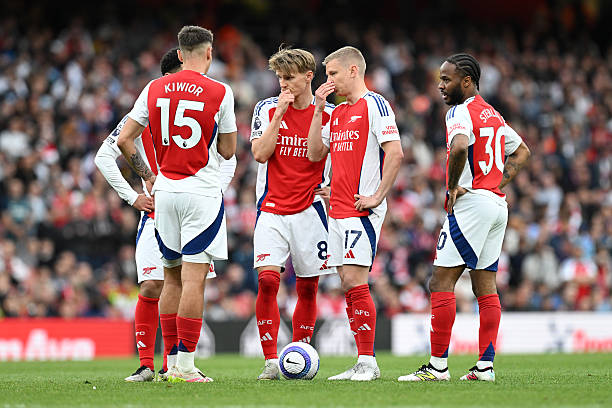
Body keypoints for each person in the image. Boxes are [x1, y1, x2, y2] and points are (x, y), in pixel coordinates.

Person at [94, 47, 236, 382]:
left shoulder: (187, 100)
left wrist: (214, 188)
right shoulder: (149, 106)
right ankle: (150, 364)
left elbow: (227, 160)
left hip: (186, 201)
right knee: (154, 284)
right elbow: (104, 155)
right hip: (161, 208)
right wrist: (134, 196)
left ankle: (173, 363)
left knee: (182, 281)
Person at [397, 53, 530, 382]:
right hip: (496, 204)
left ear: (467, 81)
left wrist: (452, 187)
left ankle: (437, 367)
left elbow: (458, 147)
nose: (440, 85)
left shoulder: (459, 112)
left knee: (441, 281)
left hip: (472, 204)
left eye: (447, 79)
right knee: (485, 286)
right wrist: (498, 183)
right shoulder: (493, 114)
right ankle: (485, 367)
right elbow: (522, 151)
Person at [307, 46, 403, 381]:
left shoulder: (375, 104)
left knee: (355, 280)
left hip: (361, 209)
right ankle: (362, 361)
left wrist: (377, 196)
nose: (328, 80)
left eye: (333, 73)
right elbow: (315, 153)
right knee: (347, 282)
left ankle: (368, 362)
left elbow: (395, 153)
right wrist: (319, 109)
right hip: (337, 208)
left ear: (353, 70)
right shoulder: (336, 113)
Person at [250, 47, 336, 380]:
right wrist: (280, 114)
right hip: (271, 208)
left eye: (289, 78)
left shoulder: (330, 113)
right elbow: (260, 153)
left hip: (311, 209)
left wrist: (337, 186)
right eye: (279, 78)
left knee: (308, 287)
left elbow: (341, 156)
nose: (283, 84)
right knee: (267, 280)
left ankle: (300, 352)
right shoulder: (267, 108)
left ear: (308, 76)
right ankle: (271, 360)